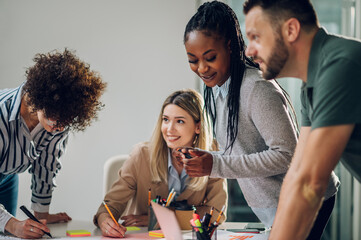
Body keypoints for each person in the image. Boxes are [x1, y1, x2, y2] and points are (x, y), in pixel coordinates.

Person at [178, 1, 339, 237]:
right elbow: (241, 151)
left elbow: (286, 155)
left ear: (230, 46)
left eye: (210, 57)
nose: (202, 68)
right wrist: (207, 160)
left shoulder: (256, 88)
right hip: (277, 201)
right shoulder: (219, 88)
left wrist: (216, 164)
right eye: (193, 60)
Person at [243, 0, 361, 239]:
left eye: (256, 37)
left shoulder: (340, 64)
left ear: (291, 30)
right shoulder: (312, 84)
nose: (249, 51)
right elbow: (297, 174)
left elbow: (310, 183)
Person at [0, 49, 106, 239]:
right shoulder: (2, 114)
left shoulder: (58, 122)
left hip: (7, 177)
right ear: (39, 98)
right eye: (55, 118)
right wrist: (12, 224)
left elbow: (46, 168)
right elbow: (10, 225)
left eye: (67, 120)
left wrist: (41, 217)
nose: (60, 127)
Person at [93, 89, 228, 238]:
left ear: (198, 127)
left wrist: (159, 219)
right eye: (166, 119)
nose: (169, 129)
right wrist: (104, 219)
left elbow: (216, 212)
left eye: (180, 121)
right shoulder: (141, 155)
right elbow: (110, 206)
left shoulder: (210, 155)